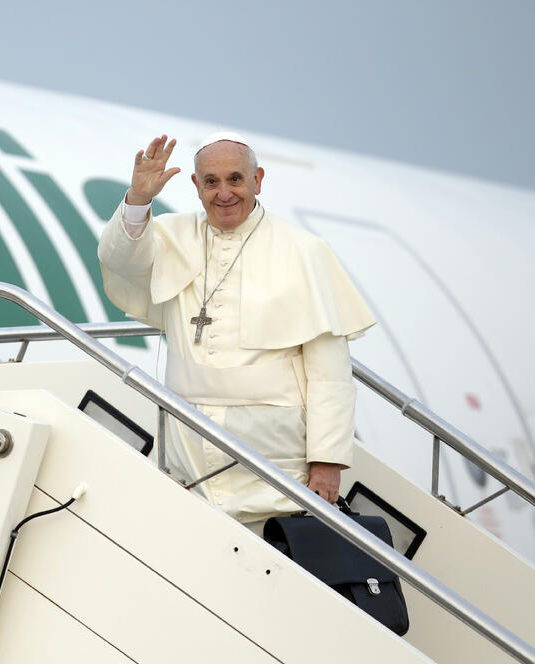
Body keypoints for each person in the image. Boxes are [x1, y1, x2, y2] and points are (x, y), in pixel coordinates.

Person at [98, 132, 375, 530]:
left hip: (275, 471)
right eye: (211, 182)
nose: (223, 193)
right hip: (188, 456)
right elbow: (120, 260)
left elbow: (330, 372)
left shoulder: (303, 250)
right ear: (196, 186)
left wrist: (327, 464)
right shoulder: (171, 235)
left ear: (258, 180)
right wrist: (139, 198)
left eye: (235, 179)